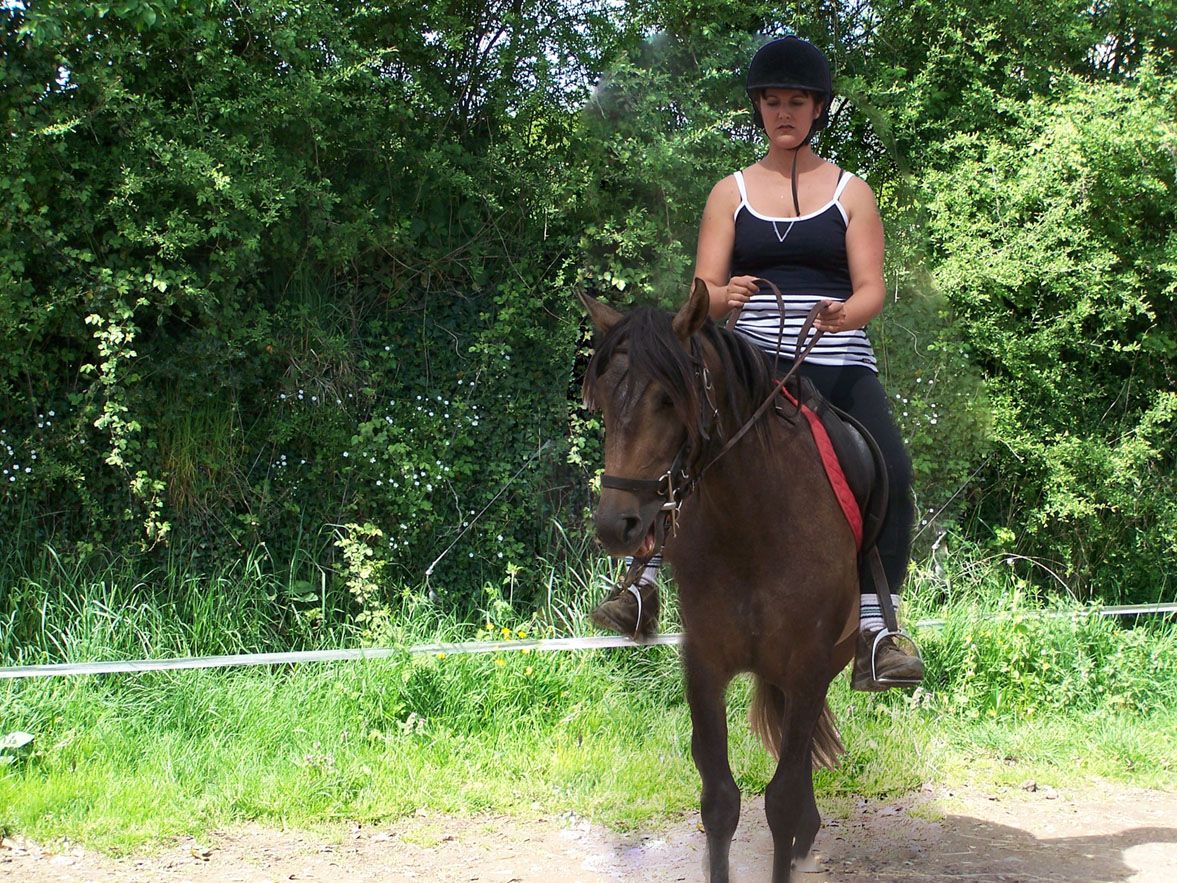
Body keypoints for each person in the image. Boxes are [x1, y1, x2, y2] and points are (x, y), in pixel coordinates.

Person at [591, 35, 924, 691]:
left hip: (836, 359)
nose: (783, 113)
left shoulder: (852, 193)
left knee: (894, 470)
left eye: (796, 101)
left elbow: (872, 289)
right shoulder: (730, 192)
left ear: (818, 108)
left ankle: (876, 631)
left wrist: (845, 313)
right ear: (759, 109)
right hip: (750, 364)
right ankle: (639, 582)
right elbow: (702, 294)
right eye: (772, 102)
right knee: (682, 445)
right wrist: (724, 296)